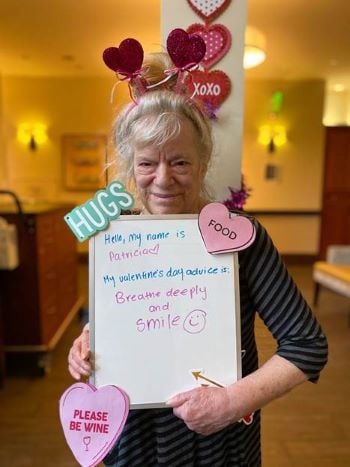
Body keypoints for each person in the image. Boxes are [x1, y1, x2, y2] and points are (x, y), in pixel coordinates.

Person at [67, 44, 328, 466]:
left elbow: (307, 346)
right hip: (131, 439)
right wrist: (86, 346)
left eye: (181, 162)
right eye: (148, 163)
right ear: (130, 166)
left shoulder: (242, 237)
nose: (163, 179)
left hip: (214, 444)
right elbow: (113, 321)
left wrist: (230, 402)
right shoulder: (114, 237)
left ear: (204, 160)